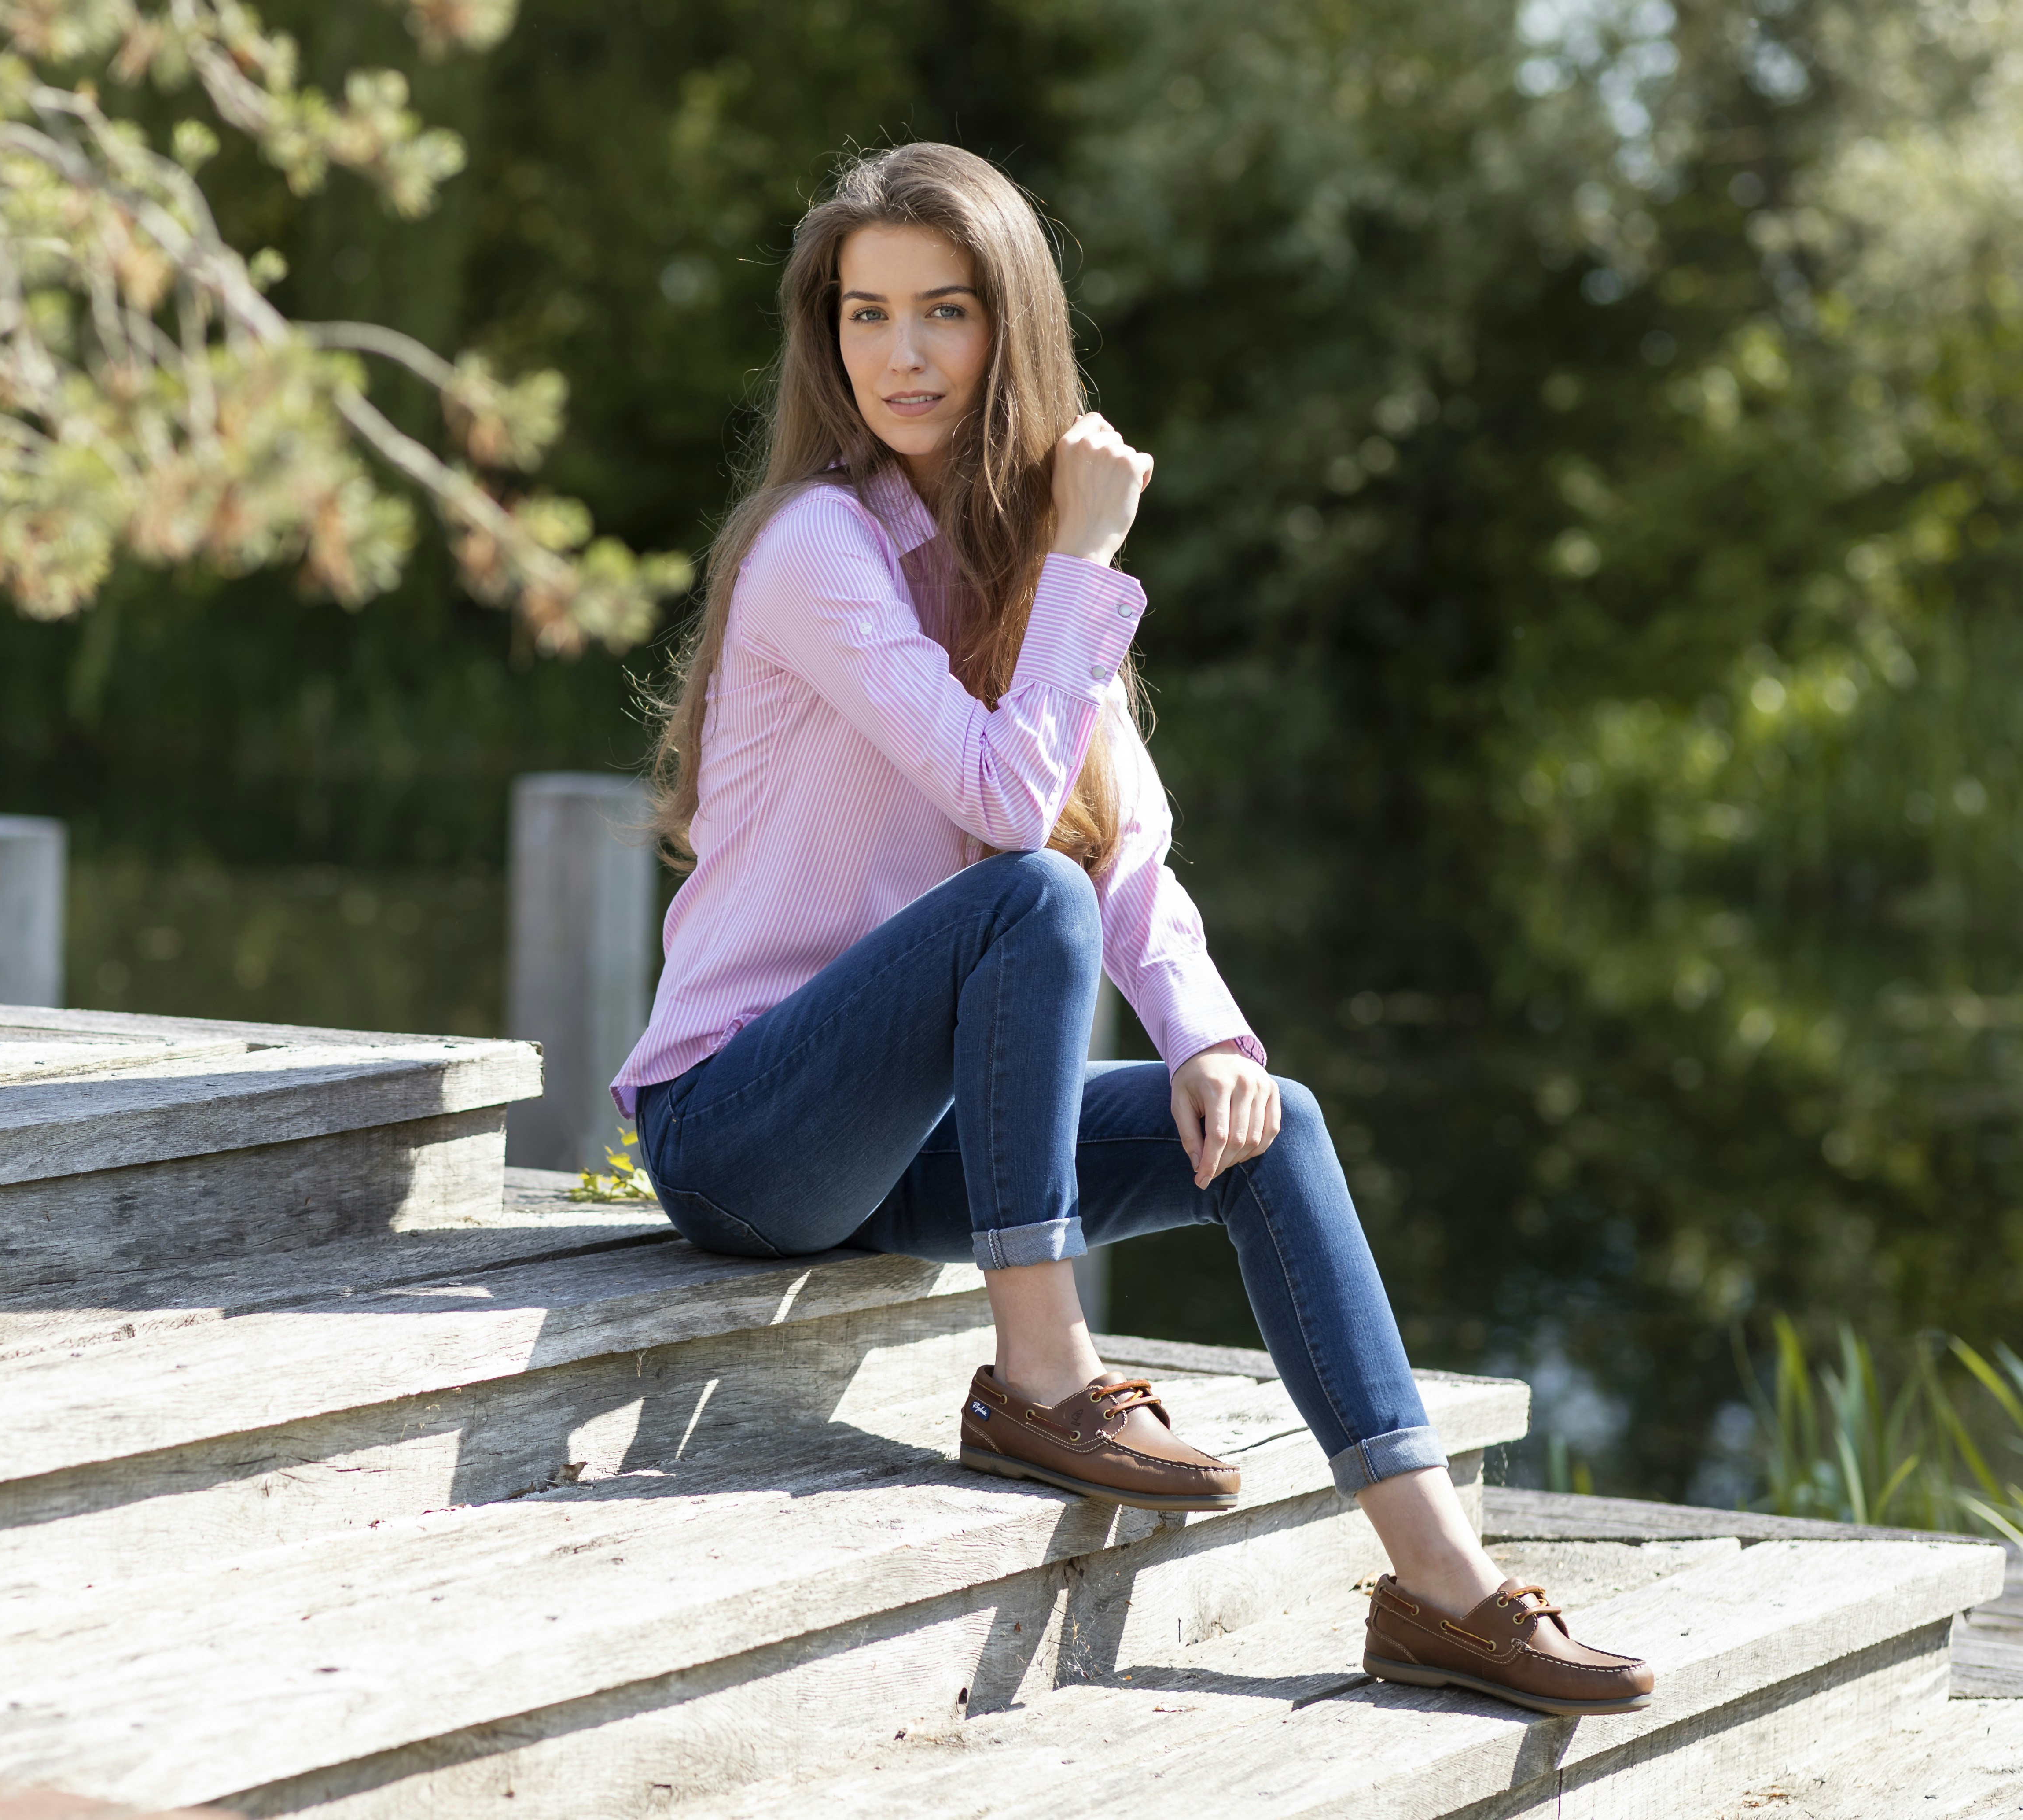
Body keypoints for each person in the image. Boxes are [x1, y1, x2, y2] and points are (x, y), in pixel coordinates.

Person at [611, 142, 1651, 1720]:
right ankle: (1043, 1375)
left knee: (1275, 1124)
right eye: (864, 314)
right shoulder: (817, 549)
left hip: (907, 1145)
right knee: (1018, 900)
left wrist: (1214, 1041)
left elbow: (1128, 852)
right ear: (824, 338)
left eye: (944, 313)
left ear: (1005, 328)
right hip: (742, 1130)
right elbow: (1015, 817)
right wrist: (1084, 570)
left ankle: (1446, 1589)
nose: (898, 353)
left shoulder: (1024, 570)